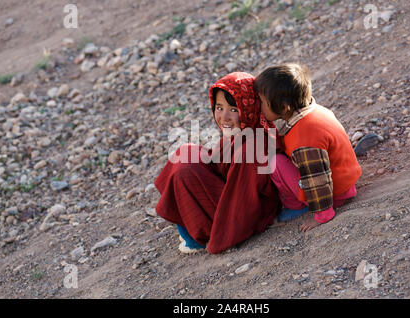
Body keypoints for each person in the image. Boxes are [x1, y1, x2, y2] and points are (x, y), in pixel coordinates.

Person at [154, 72, 281, 254]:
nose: (224, 117)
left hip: (244, 213)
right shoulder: (244, 130)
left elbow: (242, 205)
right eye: (219, 108)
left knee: (185, 173)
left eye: (234, 109)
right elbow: (217, 163)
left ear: (250, 107)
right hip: (231, 194)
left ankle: (196, 234)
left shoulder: (250, 149)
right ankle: (187, 218)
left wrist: (218, 239)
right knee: (187, 153)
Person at [254, 63, 362, 232]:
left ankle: (296, 205)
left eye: (262, 102)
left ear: (283, 107)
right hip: (346, 183)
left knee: (275, 164)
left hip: (335, 194)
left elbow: (316, 178)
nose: (259, 106)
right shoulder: (316, 111)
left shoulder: (304, 138)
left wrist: (322, 216)